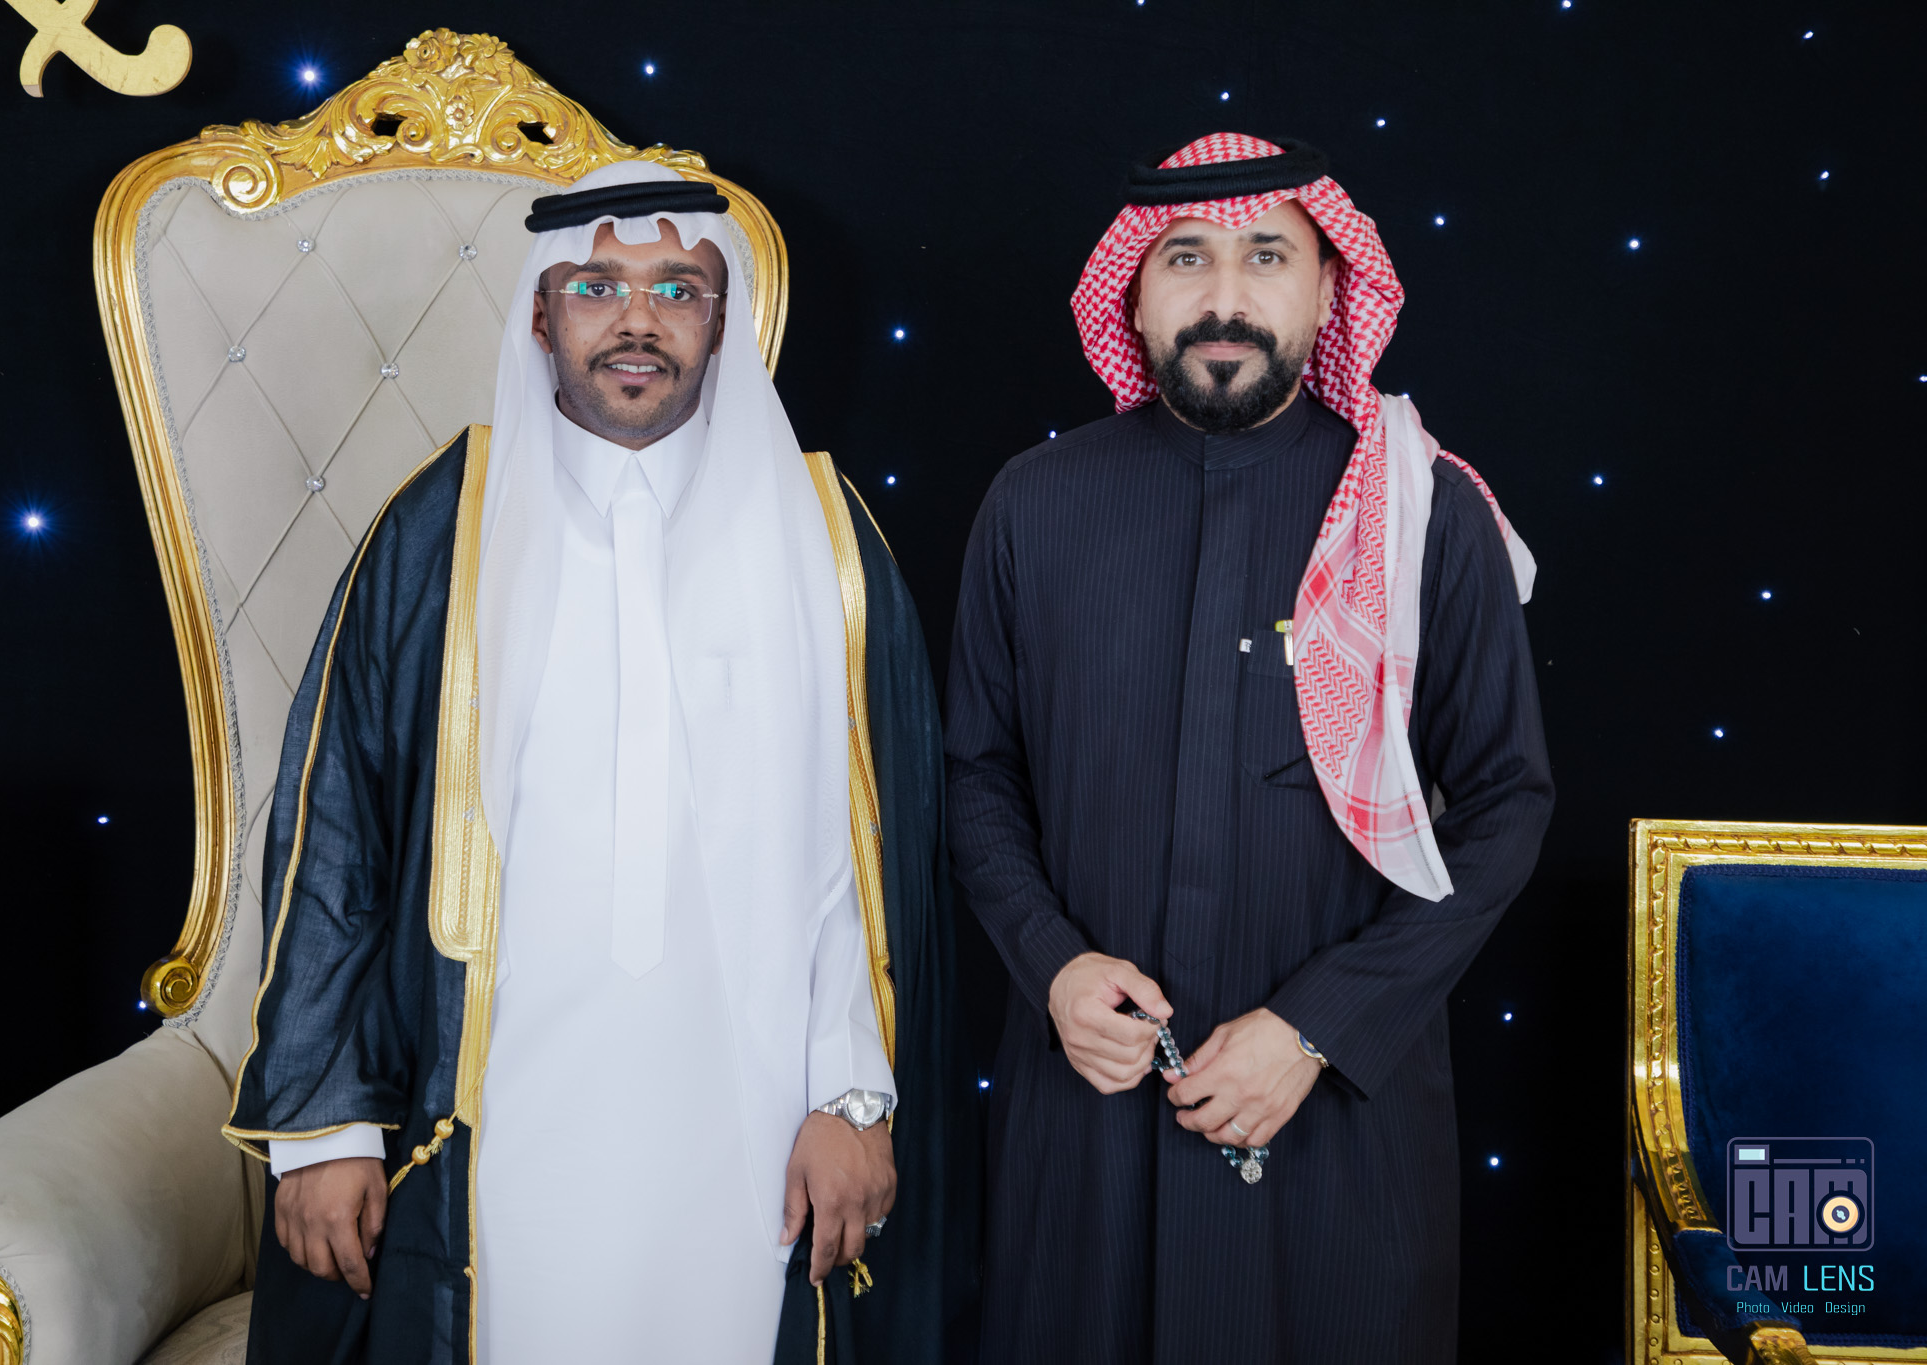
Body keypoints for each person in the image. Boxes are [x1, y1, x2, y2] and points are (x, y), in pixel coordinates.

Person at [224, 161, 973, 1365]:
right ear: (539, 315)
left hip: (751, 1121)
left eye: (677, 288)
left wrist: (851, 1100)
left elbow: (867, 864)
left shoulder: (821, 540)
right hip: (493, 1116)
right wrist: (324, 1124)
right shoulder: (442, 528)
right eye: (595, 287)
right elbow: (337, 830)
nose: (636, 319)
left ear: (720, 320)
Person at [945, 132, 1553, 1362]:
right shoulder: (1033, 503)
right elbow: (975, 775)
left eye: (1266, 255)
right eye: (1186, 257)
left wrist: (1314, 1027)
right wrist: (1053, 967)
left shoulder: (1422, 515)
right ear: (1132, 292)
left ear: (1329, 290)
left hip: (1334, 1123)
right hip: (1090, 1111)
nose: (1223, 296)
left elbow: (1504, 803)